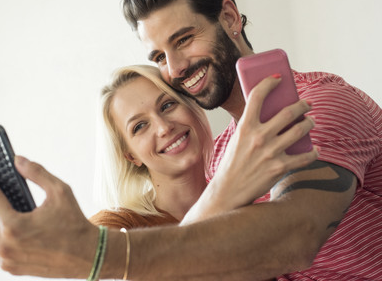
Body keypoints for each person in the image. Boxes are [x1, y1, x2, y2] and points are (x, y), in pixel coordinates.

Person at [0, 0, 382, 280]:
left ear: (229, 18)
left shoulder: (321, 105)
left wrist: (92, 254)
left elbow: (295, 237)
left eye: (184, 40)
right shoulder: (223, 153)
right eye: (158, 56)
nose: (174, 67)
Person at [89, 65, 311, 230]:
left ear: (191, 106)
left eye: (167, 105)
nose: (164, 128)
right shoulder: (117, 226)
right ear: (130, 156)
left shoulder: (252, 202)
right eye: (139, 126)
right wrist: (222, 197)